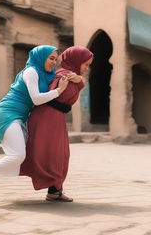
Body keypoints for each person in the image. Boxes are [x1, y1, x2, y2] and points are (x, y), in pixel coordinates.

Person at [0, 45, 69, 208]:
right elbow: (37, 99)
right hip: (7, 113)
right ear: (40, 57)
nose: (54, 62)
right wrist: (59, 91)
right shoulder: (32, 72)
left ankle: (53, 189)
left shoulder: (47, 74)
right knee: (17, 155)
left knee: (32, 153)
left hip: (21, 116)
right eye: (51, 58)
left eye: (56, 59)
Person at [20, 46, 93, 202]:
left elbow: (74, 88)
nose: (87, 68)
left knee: (60, 154)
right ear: (76, 61)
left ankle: (54, 190)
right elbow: (53, 97)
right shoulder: (63, 76)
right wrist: (78, 80)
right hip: (46, 117)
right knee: (49, 154)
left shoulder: (70, 75)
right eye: (85, 64)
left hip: (55, 118)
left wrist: (80, 79)